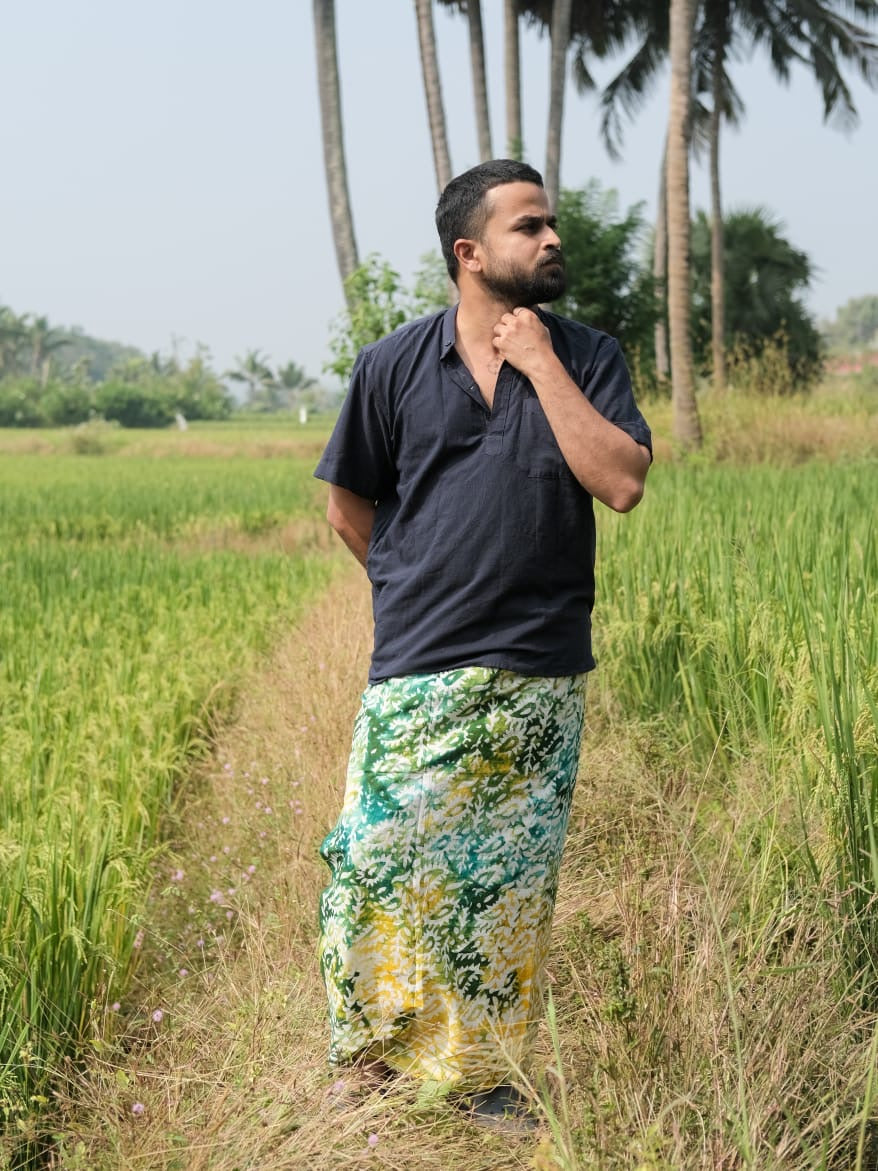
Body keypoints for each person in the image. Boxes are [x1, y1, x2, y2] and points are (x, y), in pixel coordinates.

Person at [314, 159, 652, 1131]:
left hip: (538, 665)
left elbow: (621, 482)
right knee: (374, 855)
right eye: (527, 227)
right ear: (468, 253)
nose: (551, 241)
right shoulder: (390, 367)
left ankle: (479, 1077)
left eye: (552, 225)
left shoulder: (585, 358)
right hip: (415, 665)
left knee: (501, 883)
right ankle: (367, 1062)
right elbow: (348, 503)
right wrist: (407, 586)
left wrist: (540, 362)